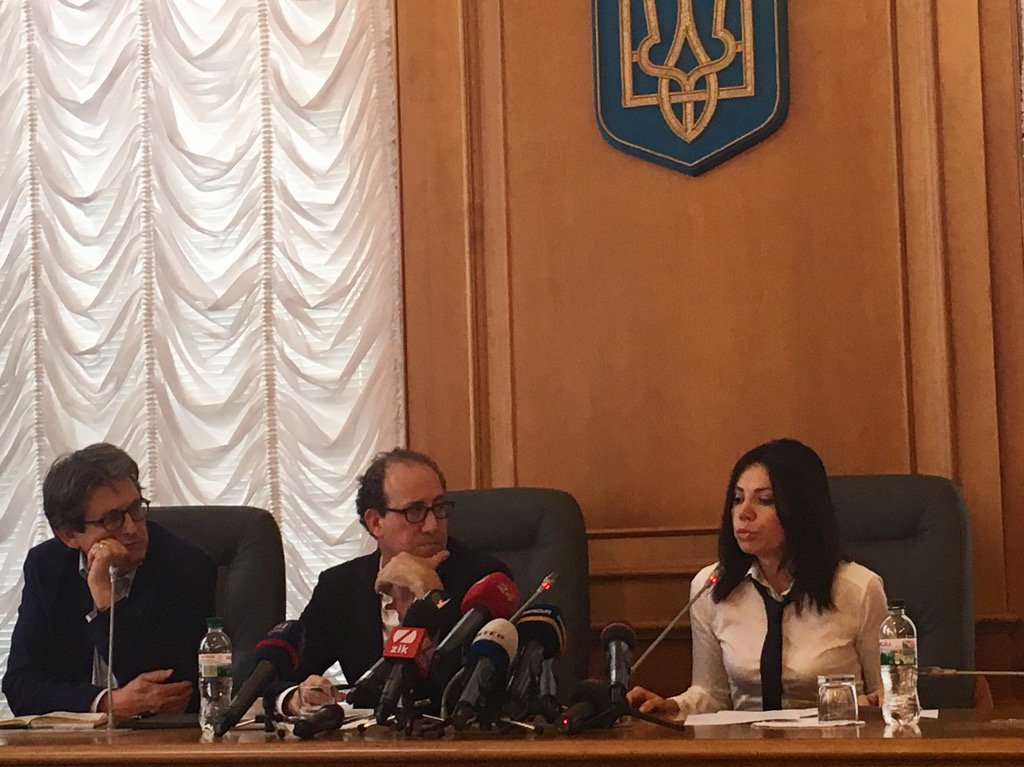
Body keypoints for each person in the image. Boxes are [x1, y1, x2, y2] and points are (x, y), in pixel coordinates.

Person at [627, 438, 887, 718]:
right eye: (737, 499)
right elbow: (712, 694)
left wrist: (866, 705)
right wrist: (674, 707)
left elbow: (888, 694)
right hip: (746, 742)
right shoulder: (710, 587)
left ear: (802, 510)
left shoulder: (860, 589)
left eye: (765, 500)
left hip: (834, 740)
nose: (744, 513)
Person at [284, 448, 512, 713]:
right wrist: (295, 698)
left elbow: (476, 690)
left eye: (439, 508)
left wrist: (432, 592)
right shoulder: (341, 587)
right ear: (375, 523)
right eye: (415, 511)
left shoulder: (485, 579)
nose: (432, 525)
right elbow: (277, 675)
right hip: (369, 736)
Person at [2, 443, 216, 717]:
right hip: (72, 740)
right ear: (69, 534)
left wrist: (106, 596)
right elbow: (20, 685)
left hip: (160, 739)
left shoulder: (184, 565)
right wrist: (107, 703)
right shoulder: (46, 566)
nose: (132, 528)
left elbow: (166, 694)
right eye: (112, 519)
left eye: (136, 509)